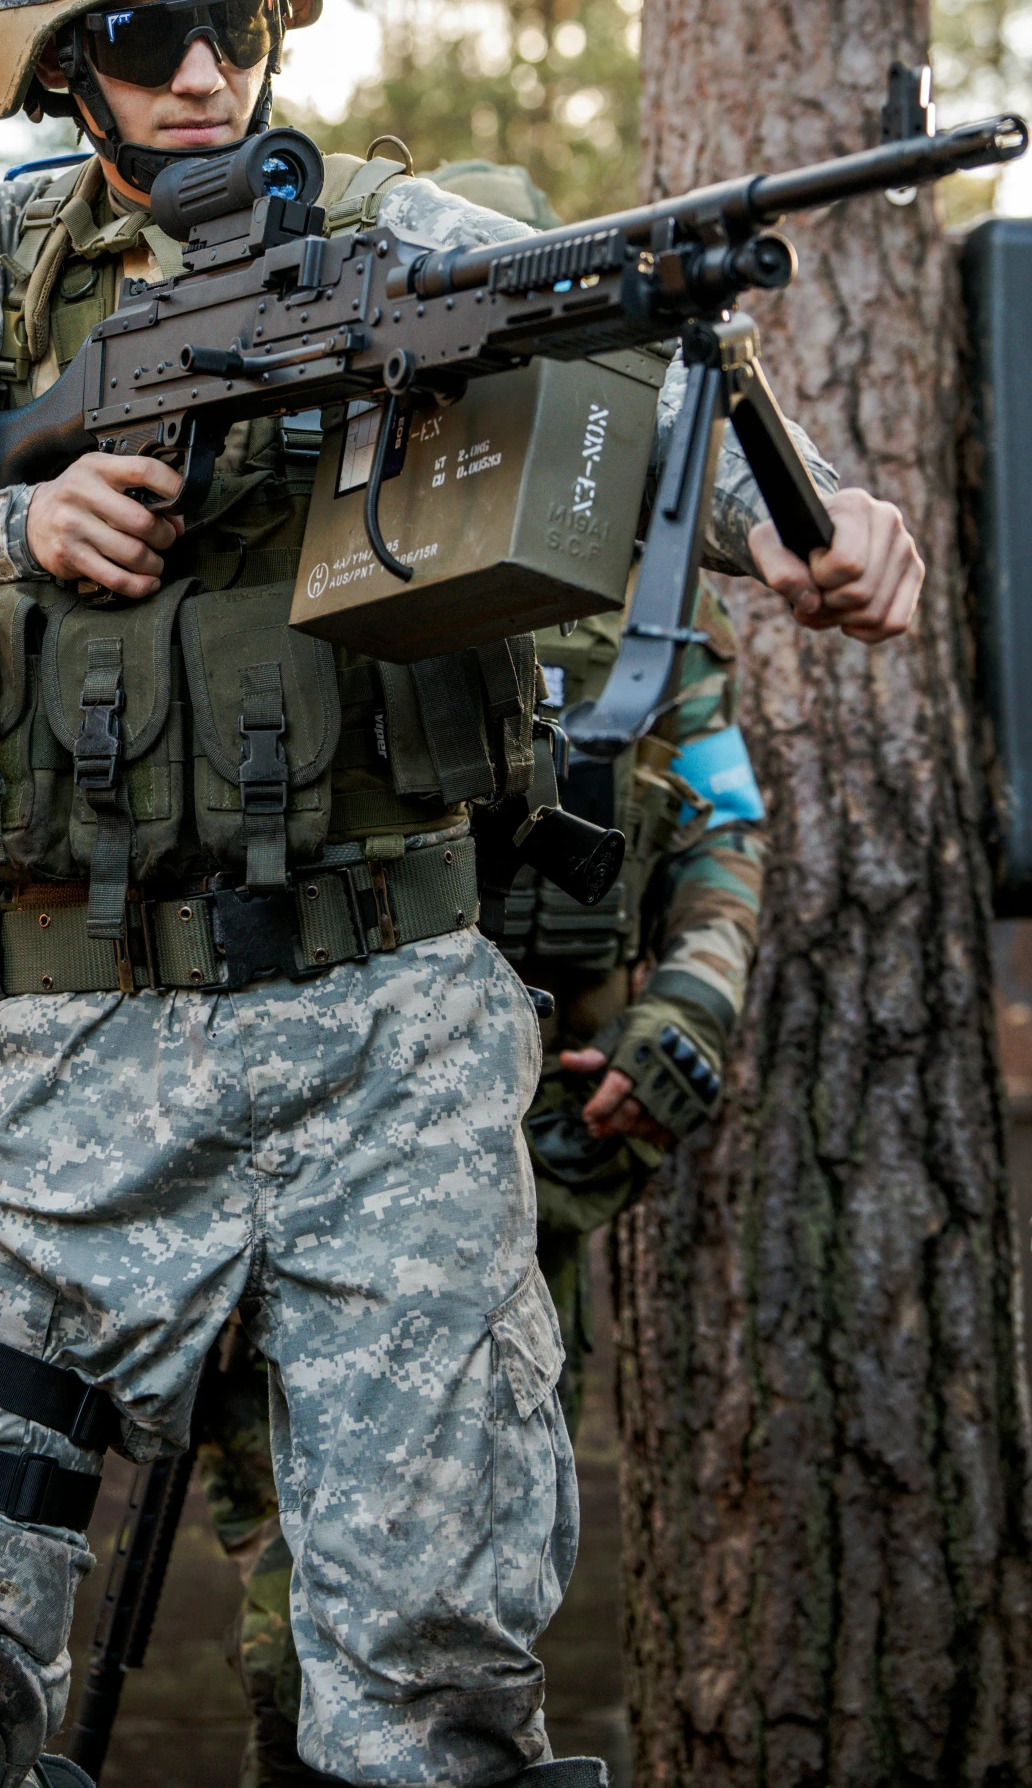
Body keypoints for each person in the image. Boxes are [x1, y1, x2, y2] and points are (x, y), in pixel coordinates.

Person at [0, 0, 924, 1788]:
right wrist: (7, 524)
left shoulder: (400, 233)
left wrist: (820, 521)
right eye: (149, 33)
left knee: (429, 1691)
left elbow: (618, 360)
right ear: (57, 72)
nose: (207, 69)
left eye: (240, 15)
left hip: (398, 1036)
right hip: (87, 1037)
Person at [191, 169, 769, 1788]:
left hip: (543, 1149)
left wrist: (688, 1014)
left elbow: (722, 817)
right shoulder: (325, 523)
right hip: (323, 1127)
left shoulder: (634, 562)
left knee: (482, 1555)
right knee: (303, 1596)